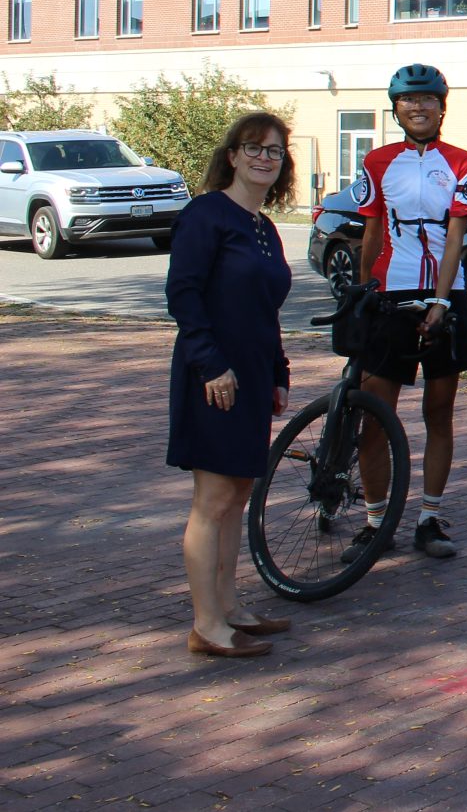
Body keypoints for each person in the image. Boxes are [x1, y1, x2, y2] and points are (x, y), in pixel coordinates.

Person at [165, 111, 297, 658]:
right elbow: (184, 294)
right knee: (213, 498)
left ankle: (229, 607)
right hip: (212, 375)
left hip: (249, 374)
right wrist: (210, 365)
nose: (265, 158)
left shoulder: (264, 228)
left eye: (275, 151)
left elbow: (265, 311)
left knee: (238, 494)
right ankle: (206, 626)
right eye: (255, 148)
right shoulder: (206, 215)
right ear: (233, 156)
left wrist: (278, 372)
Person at [344, 64, 467, 564]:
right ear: (395, 108)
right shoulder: (378, 161)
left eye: (427, 99)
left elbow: (457, 238)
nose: (418, 107)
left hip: (447, 295)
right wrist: (362, 292)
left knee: (437, 412)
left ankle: (428, 517)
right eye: (408, 100)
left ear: (443, 106)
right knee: (375, 417)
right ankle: (376, 522)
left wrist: (443, 301)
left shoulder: (464, 162)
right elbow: (372, 231)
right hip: (391, 294)